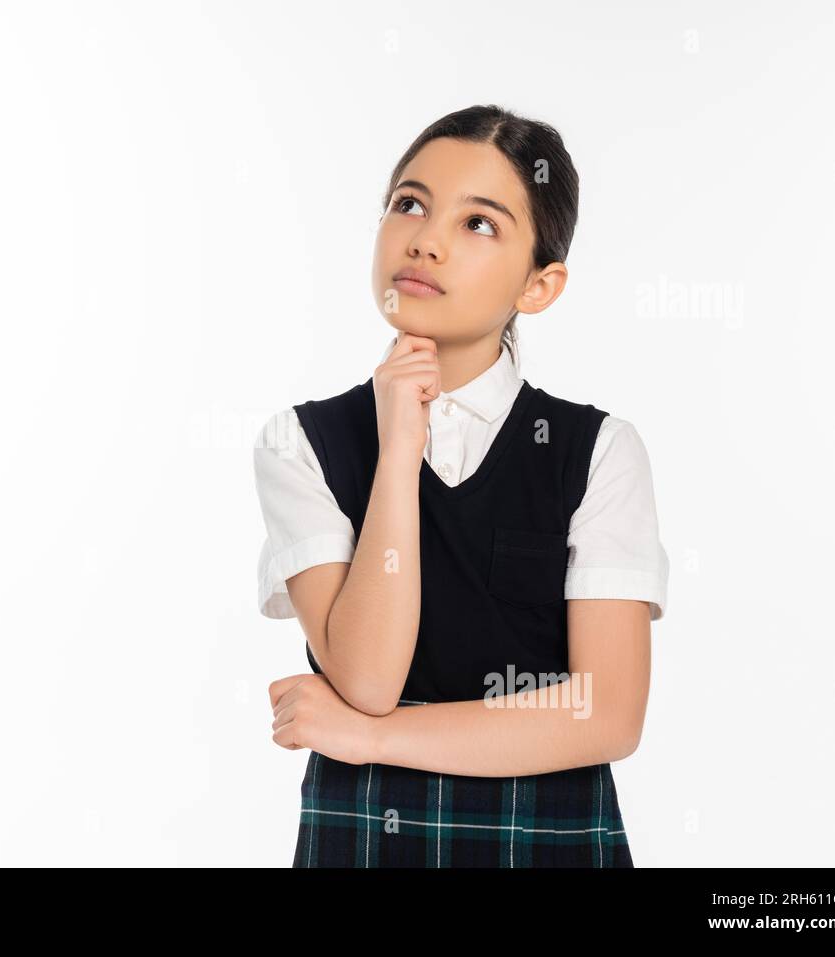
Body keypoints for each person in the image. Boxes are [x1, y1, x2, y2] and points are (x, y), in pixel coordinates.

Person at [253, 105, 668, 867]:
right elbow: (370, 674)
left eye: (479, 224)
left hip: (546, 838)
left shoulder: (597, 452)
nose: (426, 239)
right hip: (363, 841)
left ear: (539, 285)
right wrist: (397, 451)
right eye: (409, 203)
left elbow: (606, 712)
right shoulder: (300, 444)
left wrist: (370, 736)